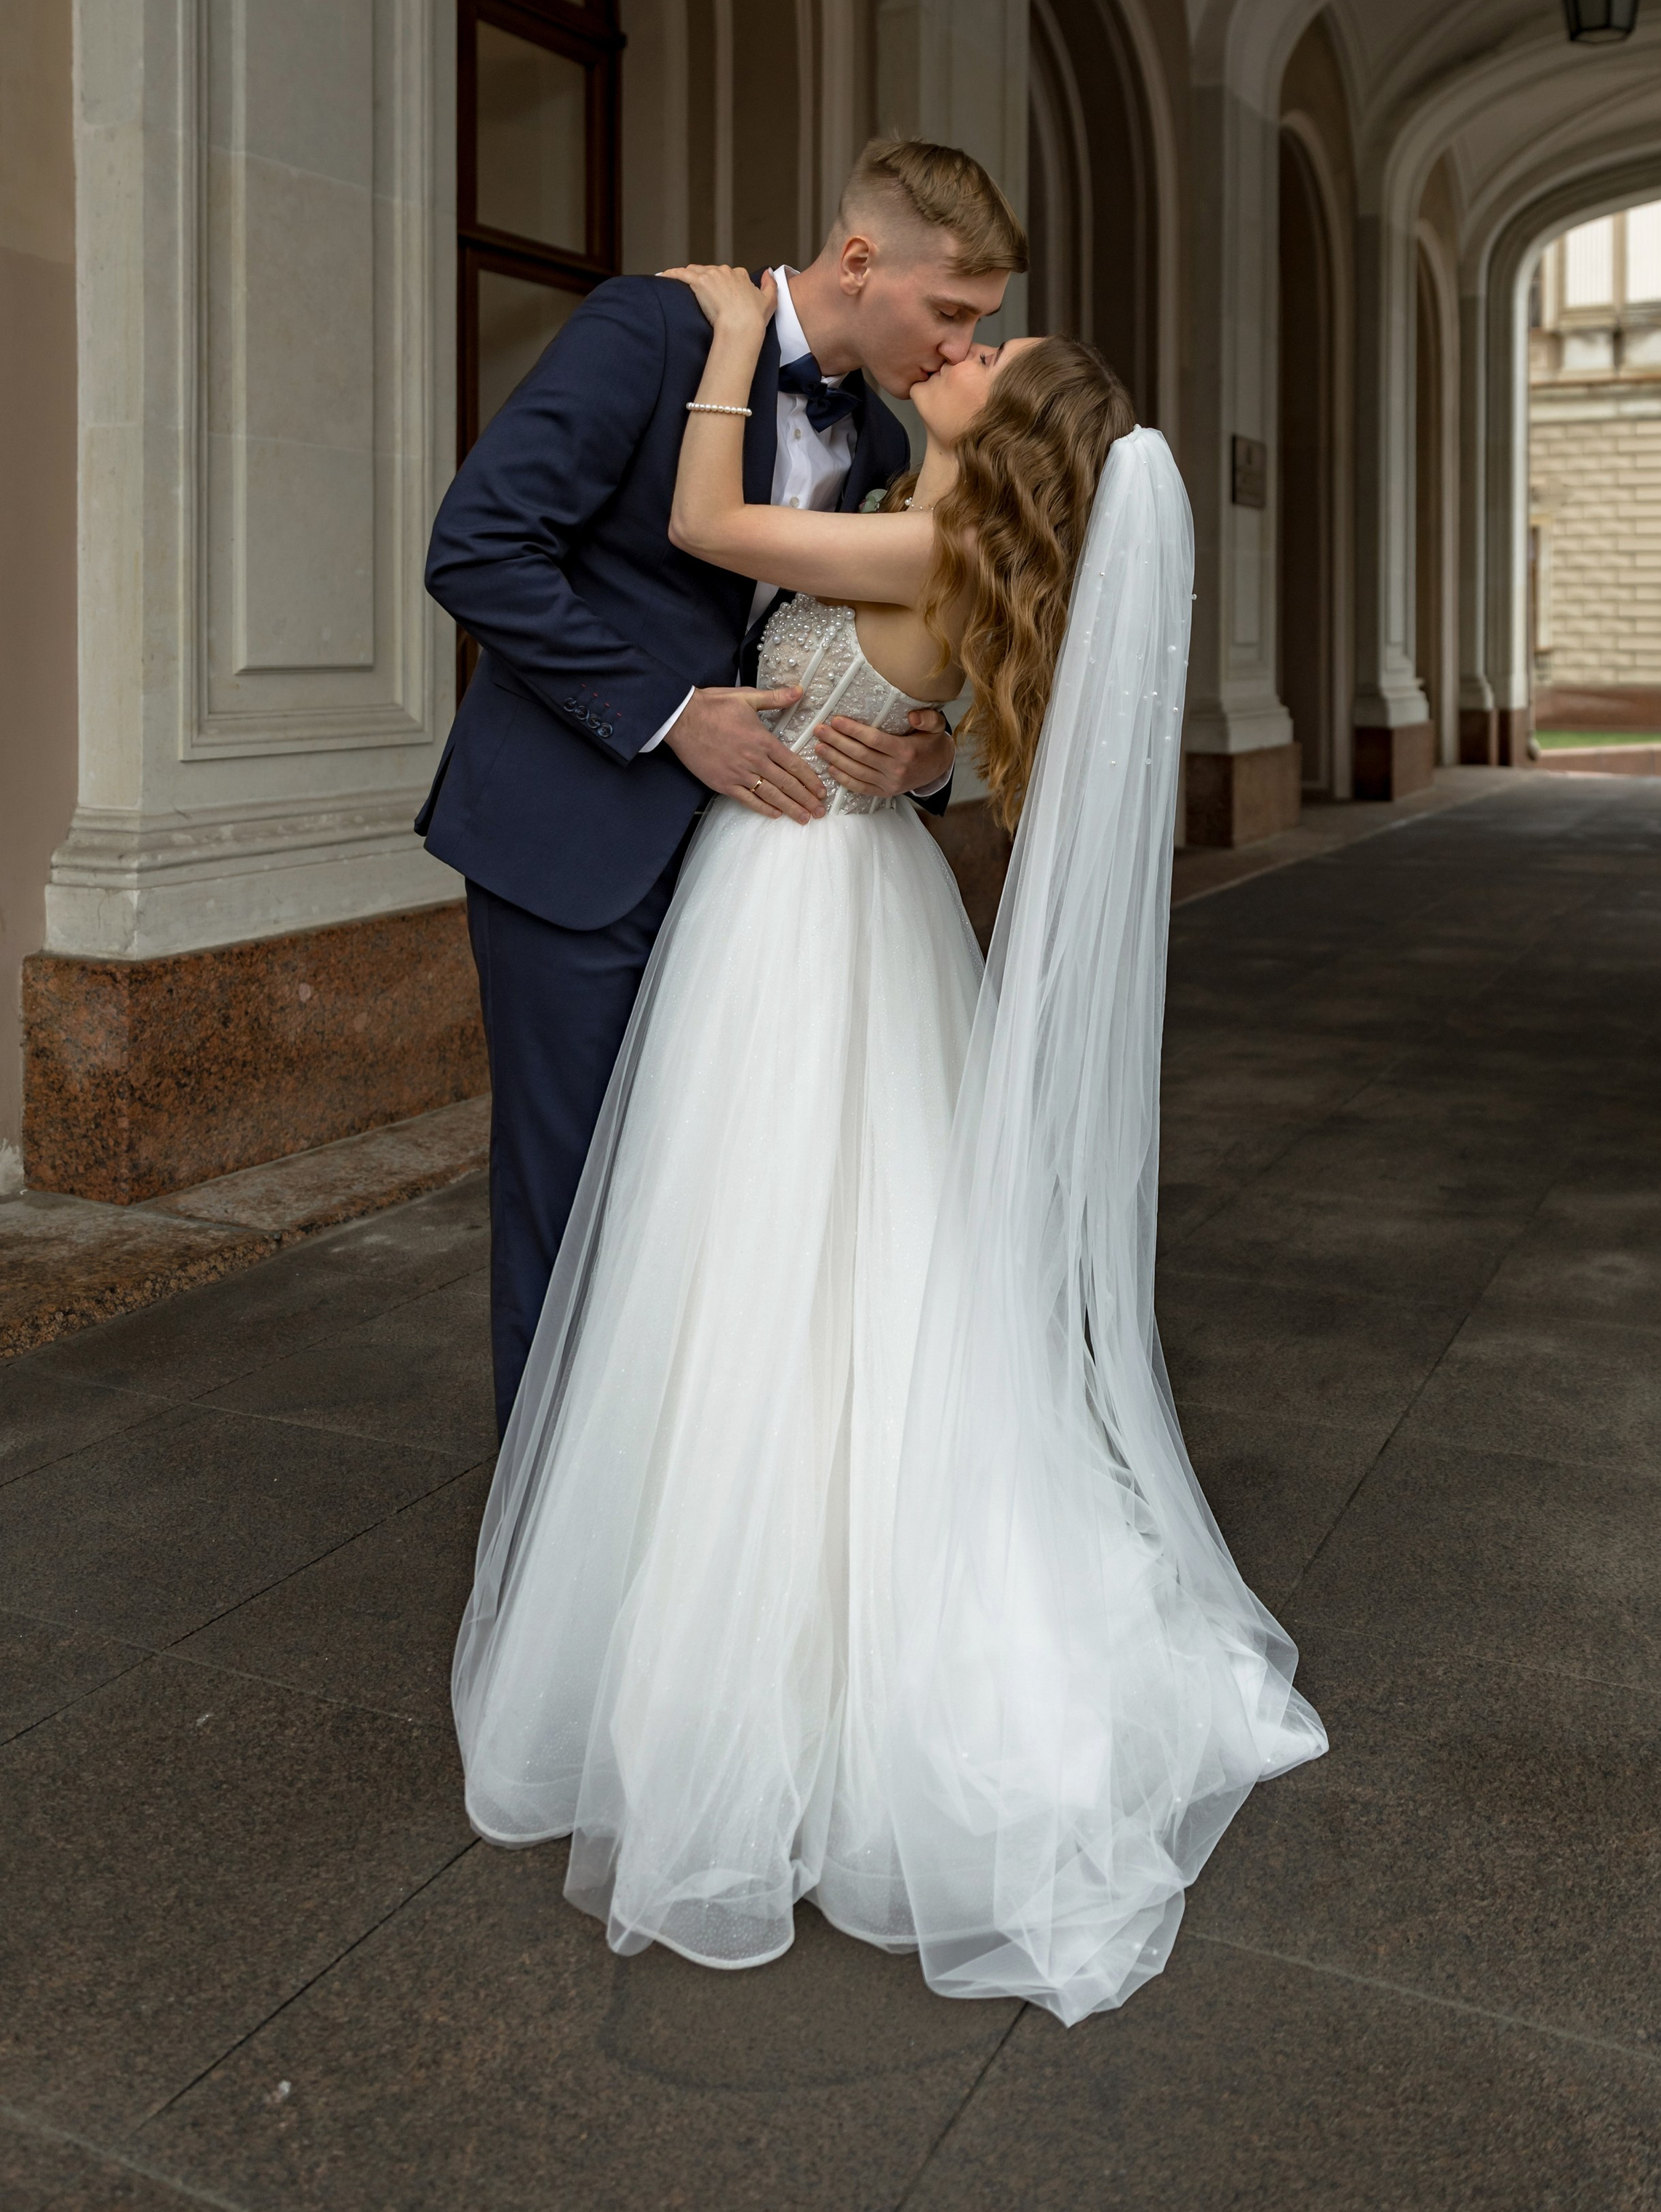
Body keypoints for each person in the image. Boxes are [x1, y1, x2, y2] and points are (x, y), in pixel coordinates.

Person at [450, 271, 1327, 2027]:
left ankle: (752, 1642)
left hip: (799, 914)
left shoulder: (913, 554)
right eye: (967, 322)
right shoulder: (902, 521)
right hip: (812, 893)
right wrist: (905, 744)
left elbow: (704, 519)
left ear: (1006, 439)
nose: (957, 352)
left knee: (782, 1248)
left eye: (985, 354)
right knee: (822, 1249)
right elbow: (861, 693)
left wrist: (712, 328)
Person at [416, 140, 1023, 1439]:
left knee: (696, 1214)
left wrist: (925, 756)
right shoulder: (651, 330)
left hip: (750, 875)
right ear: (863, 261)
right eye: (954, 311)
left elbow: (851, 651)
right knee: (573, 1203)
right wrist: (670, 715)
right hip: (573, 837)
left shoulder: (871, 435)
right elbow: (478, 547)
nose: (963, 343)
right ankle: (550, 1574)